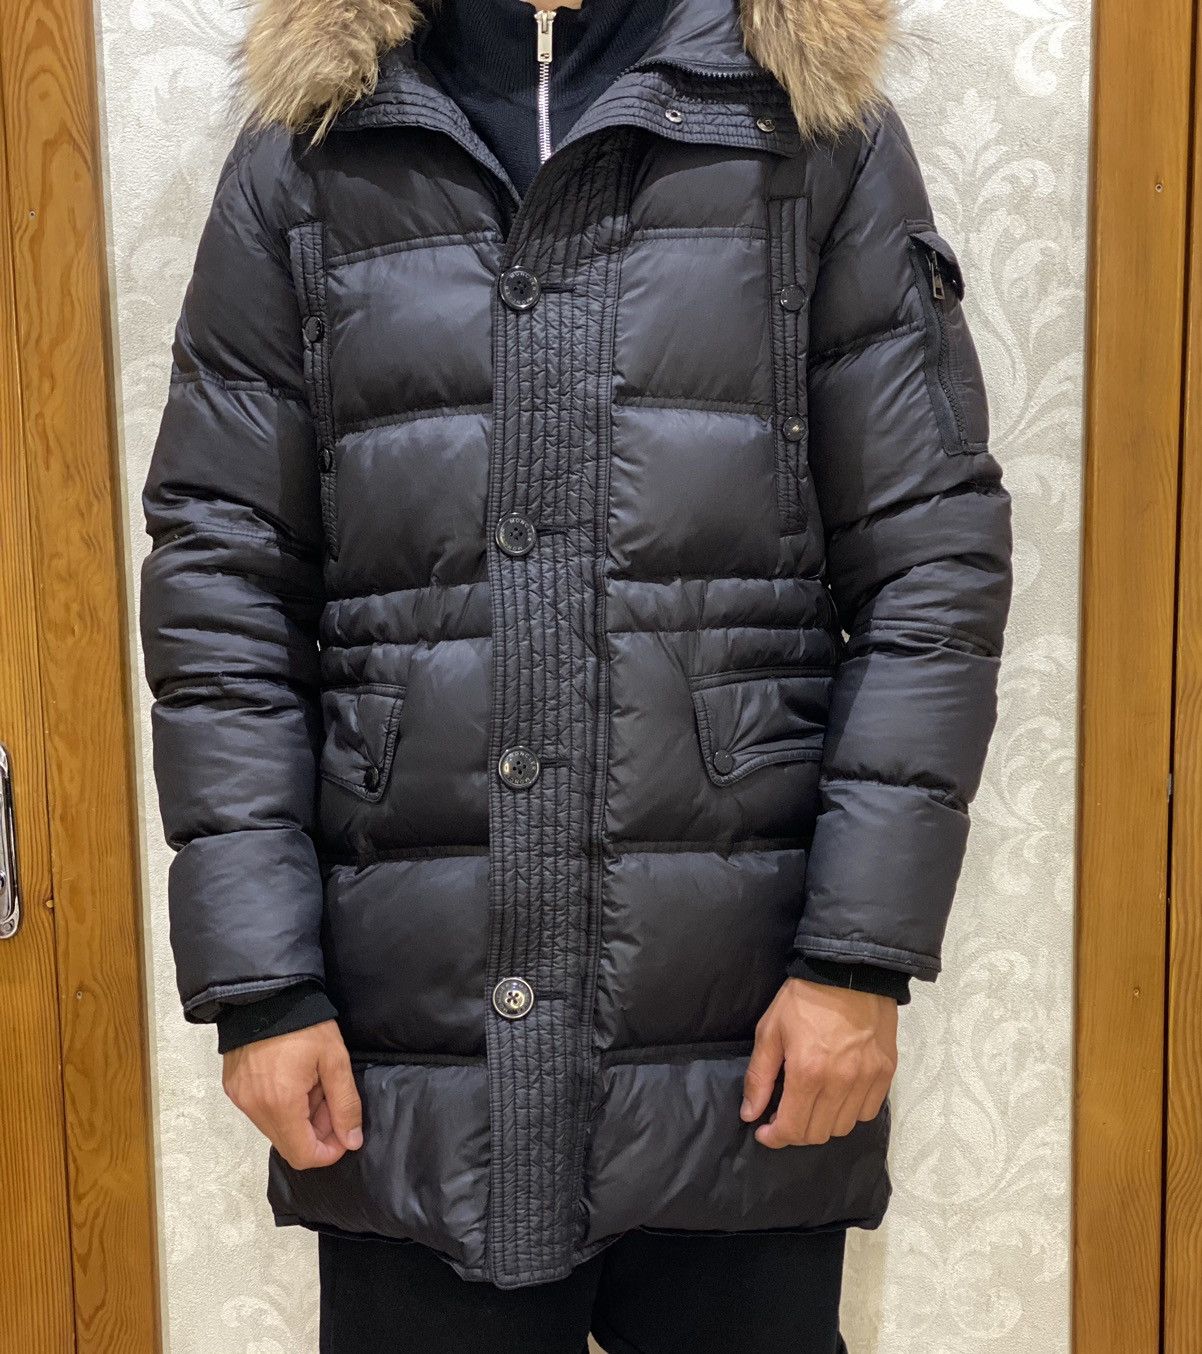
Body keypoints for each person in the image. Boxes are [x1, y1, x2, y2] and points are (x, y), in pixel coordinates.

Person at [138, 0, 1013, 1349]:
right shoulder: (312, 146)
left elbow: (928, 561)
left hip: (746, 1033)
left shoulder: (805, 127)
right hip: (408, 1044)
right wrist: (261, 985)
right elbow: (224, 583)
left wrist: (856, 960)